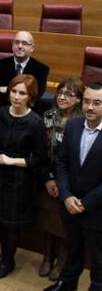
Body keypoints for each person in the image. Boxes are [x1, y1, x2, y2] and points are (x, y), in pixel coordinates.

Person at [0, 74, 47, 279]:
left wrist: (12, 161)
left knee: (11, 223)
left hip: (19, 180)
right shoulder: (0, 112)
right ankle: (3, 256)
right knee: (0, 221)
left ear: (30, 97)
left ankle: (8, 261)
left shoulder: (35, 122)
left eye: (22, 93)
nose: (17, 97)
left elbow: (39, 158)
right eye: (14, 91)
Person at [44, 82, 102, 291]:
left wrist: (85, 203)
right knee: (72, 249)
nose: (90, 107)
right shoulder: (74, 125)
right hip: (69, 204)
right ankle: (66, 285)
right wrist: (67, 196)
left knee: (98, 261)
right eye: (87, 101)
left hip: (96, 210)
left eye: (97, 103)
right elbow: (62, 163)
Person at [38, 78, 84, 281]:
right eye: (60, 92)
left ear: (79, 99)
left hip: (72, 182)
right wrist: (49, 178)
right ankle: (47, 256)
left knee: (66, 223)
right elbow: (42, 150)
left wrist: (63, 182)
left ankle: (62, 260)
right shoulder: (48, 116)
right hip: (49, 178)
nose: (62, 97)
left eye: (69, 94)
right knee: (49, 219)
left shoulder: (82, 122)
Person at [0, 31, 49, 110]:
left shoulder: (41, 69)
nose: (19, 46)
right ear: (12, 45)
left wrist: (7, 90)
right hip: (2, 111)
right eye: (16, 42)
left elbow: (35, 97)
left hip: (28, 113)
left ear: (32, 48)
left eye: (24, 43)